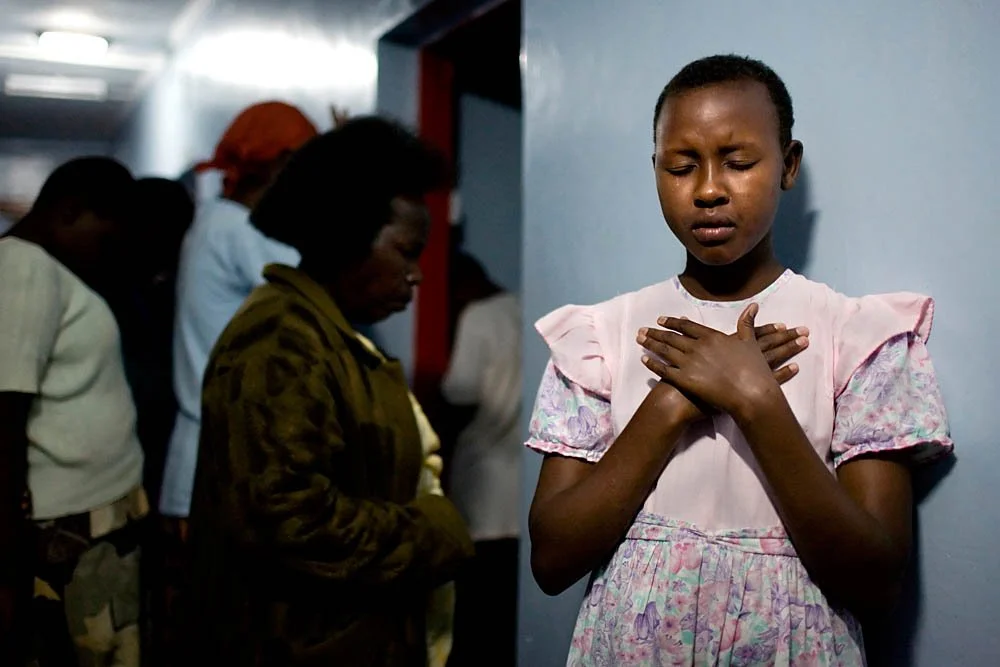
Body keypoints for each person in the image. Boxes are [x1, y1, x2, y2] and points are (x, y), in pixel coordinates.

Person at [526, 55, 953, 665]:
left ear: (788, 165)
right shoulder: (599, 336)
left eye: (739, 161)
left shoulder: (857, 337)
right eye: (680, 166)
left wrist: (754, 400)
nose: (707, 189)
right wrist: (672, 403)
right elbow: (552, 559)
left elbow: (875, 581)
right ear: (655, 171)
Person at [183, 116, 474, 666]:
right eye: (406, 251)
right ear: (345, 237)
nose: (416, 276)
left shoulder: (326, 331)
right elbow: (291, 520)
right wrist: (434, 532)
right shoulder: (278, 340)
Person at [0, 157, 147, 666]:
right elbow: (6, 403)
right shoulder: (25, 266)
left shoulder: (48, 270)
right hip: (68, 526)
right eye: (106, 238)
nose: (110, 255)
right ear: (70, 211)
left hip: (91, 519)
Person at [159, 101, 317, 523]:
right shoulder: (235, 229)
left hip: (210, 453)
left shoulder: (215, 221)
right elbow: (320, 281)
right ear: (281, 163)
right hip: (219, 456)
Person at [438, 252, 521, 667]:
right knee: (508, 619)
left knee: (474, 619)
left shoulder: (478, 316)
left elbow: (460, 395)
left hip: (481, 487)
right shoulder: (525, 306)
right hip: (522, 493)